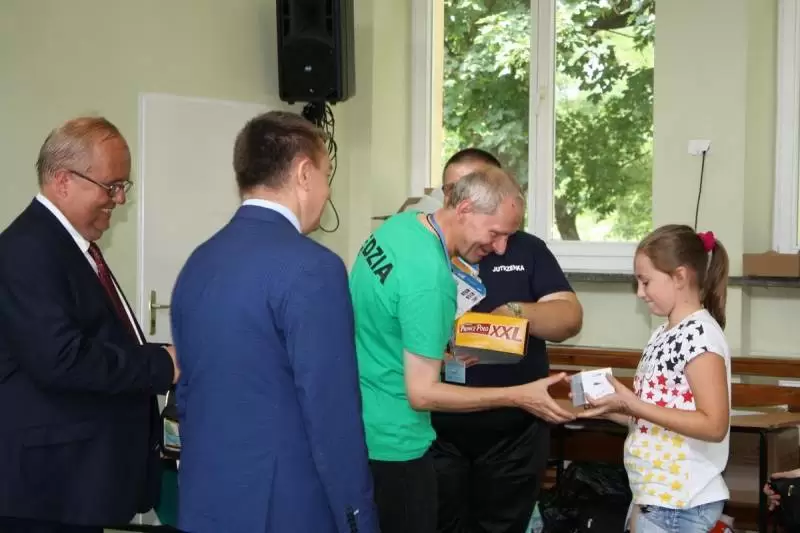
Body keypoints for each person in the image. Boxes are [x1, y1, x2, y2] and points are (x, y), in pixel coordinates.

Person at [170, 111, 378, 533]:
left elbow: (189, 394)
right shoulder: (313, 268)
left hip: (205, 500)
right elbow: (331, 415)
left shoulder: (199, 262)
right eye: (326, 175)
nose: (327, 191)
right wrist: (357, 519)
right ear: (304, 174)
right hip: (286, 508)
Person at [349, 165, 576, 533]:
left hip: (366, 419)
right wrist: (518, 395)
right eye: (496, 233)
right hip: (399, 440)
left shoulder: (398, 229)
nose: (500, 247)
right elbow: (422, 394)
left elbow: (385, 325)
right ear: (465, 208)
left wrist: (442, 357)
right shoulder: (432, 278)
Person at [0, 117, 179, 533]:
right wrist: (162, 365)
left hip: (71, 486)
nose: (120, 199)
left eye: (123, 187)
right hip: (45, 493)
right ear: (63, 181)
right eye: (111, 186)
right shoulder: (28, 250)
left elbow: (99, 340)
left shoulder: (69, 246)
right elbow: (62, 358)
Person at [430, 148, 583, 533]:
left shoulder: (524, 248)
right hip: (437, 431)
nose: (460, 199)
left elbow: (569, 318)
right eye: (451, 190)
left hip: (513, 433)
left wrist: (514, 312)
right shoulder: (426, 250)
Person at [579, 224, 732, 532]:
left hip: (680, 500)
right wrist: (613, 407)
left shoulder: (700, 336)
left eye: (645, 281)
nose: (640, 292)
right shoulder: (663, 333)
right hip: (658, 496)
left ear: (680, 277)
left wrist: (633, 405)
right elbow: (655, 416)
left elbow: (714, 425)